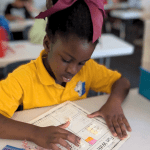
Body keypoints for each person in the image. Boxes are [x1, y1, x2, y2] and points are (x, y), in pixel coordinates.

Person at [0, 0, 132, 149]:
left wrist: (114, 102)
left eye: (82, 62)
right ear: (48, 44)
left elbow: (122, 82)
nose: (73, 70)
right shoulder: (23, 78)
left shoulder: (87, 70)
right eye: (66, 60)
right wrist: (35, 133)